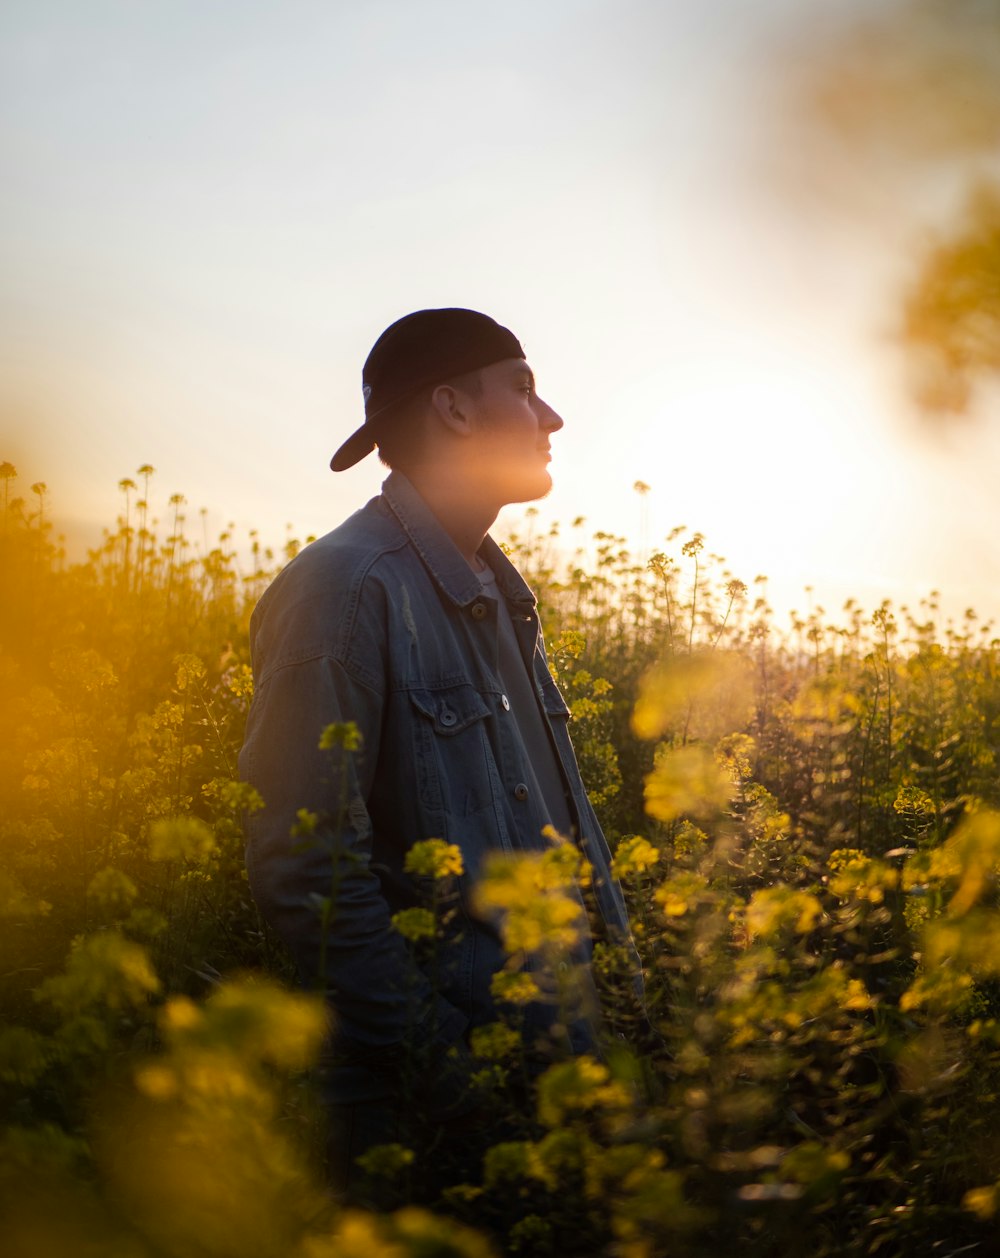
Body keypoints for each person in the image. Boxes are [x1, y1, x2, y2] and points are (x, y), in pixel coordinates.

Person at [238, 308, 638, 1195]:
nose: (553, 418)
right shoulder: (343, 592)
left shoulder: (497, 590)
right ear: (454, 410)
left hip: (547, 1091)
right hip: (426, 1128)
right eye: (525, 389)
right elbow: (306, 871)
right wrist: (454, 1075)